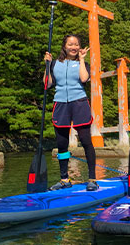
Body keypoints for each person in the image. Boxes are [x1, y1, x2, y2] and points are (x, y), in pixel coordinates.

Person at [44, 34, 98, 191]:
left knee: (86, 140)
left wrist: (81, 59)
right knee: (62, 144)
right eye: (70, 44)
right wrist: (47, 66)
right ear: (64, 46)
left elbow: (84, 79)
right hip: (60, 104)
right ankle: (64, 180)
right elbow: (47, 84)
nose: (73, 47)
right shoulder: (55, 64)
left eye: (76, 44)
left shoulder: (83, 63)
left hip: (79, 103)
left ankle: (92, 179)